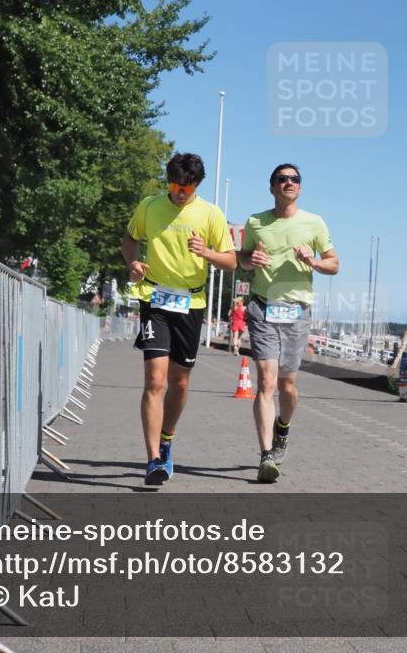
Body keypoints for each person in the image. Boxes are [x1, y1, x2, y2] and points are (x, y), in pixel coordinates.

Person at [121, 153, 236, 485]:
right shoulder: (149, 206)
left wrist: (206, 252)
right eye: (174, 186)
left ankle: (167, 438)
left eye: (187, 187)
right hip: (155, 299)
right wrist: (133, 263)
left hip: (191, 302)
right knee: (156, 381)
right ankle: (153, 460)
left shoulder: (211, 214)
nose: (180, 192)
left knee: (180, 383)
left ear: (197, 185)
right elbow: (130, 240)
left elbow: (231, 262)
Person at [238, 164, 339, 483]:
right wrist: (250, 261)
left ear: (300, 187)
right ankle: (266, 455)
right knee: (266, 381)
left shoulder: (314, 222)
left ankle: (283, 427)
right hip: (262, 307)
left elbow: (334, 264)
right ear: (272, 187)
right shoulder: (255, 222)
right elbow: (242, 258)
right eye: (282, 179)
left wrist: (314, 261)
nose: (289, 183)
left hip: (296, 311)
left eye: (294, 179)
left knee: (287, 386)